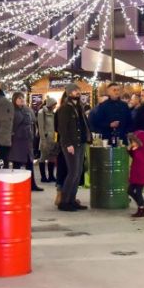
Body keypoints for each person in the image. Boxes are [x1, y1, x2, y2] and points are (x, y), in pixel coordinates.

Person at [55, 83, 91, 211]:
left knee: (78, 172)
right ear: (70, 93)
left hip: (80, 143)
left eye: (78, 91)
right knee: (73, 172)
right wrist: (68, 144)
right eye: (76, 91)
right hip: (71, 144)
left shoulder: (78, 107)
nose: (78, 93)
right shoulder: (65, 108)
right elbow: (62, 128)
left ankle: (72, 199)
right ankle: (64, 201)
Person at [9, 92, 43, 191]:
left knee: (30, 164)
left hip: (27, 141)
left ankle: (32, 185)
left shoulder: (28, 110)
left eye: (22, 98)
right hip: (17, 142)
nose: (21, 100)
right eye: (19, 98)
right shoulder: (12, 111)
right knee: (17, 166)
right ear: (14, 100)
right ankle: (16, 186)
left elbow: (33, 122)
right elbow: (10, 125)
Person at [127, 131, 144, 218]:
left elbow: (140, 160)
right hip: (136, 175)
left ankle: (141, 208)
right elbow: (134, 157)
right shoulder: (137, 149)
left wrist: (133, 149)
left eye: (134, 141)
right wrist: (130, 150)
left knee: (138, 192)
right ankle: (141, 205)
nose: (132, 143)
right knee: (130, 190)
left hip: (142, 176)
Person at [36, 97, 57, 183]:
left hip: (53, 139)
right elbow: (40, 128)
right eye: (54, 104)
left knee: (52, 157)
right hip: (45, 138)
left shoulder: (53, 113)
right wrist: (43, 140)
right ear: (50, 104)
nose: (55, 106)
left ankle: (51, 176)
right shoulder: (42, 113)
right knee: (43, 157)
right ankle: (43, 177)